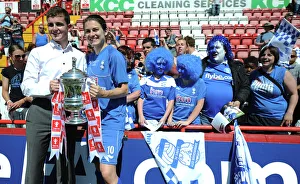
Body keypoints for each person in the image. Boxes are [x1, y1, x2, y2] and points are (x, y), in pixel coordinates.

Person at [21, 6, 87, 184]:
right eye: (50, 25)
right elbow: (26, 86)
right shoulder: (37, 53)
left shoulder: (80, 56)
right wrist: (47, 87)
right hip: (40, 111)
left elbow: (83, 87)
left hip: (67, 114)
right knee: (34, 166)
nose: (54, 28)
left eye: (59, 24)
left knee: (64, 166)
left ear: (69, 26)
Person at [84, 14, 128, 184]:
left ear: (105, 31)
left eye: (95, 30)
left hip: (112, 119)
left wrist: (104, 94)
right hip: (94, 121)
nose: (92, 34)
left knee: (107, 172)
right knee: (98, 169)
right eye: (88, 31)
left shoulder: (113, 55)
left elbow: (124, 89)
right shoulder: (88, 57)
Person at [244, 46, 298, 132]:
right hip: (255, 118)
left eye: (269, 55)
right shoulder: (254, 74)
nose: (265, 57)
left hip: (276, 119)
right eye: (263, 55)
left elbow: (294, 94)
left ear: (275, 58)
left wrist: (290, 113)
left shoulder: (283, 73)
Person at [200, 35, 250, 124]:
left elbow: (245, 87)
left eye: (217, 47)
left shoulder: (236, 67)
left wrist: (239, 100)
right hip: (203, 117)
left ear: (225, 50)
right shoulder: (201, 65)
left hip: (227, 117)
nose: (214, 50)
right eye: (211, 48)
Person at [137, 47, 176, 126]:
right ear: (153, 64)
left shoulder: (170, 81)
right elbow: (140, 99)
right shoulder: (145, 80)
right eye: (158, 64)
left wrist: (164, 119)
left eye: (163, 64)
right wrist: (141, 116)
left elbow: (171, 101)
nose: (161, 67)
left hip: (161, 121)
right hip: (146, 120)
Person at [167, 54, 206, 127]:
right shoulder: (174, 82)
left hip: (192, 123)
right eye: (179, 67)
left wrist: (188, 121)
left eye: (183, 68)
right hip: (174, 122)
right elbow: (171, 103)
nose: (179, 71)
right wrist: (169, 120)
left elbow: (199, 105)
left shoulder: (200, 83)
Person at [1, 45, 31, 124]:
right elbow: (5, 90)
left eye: (23, 56)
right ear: (10, 56)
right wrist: (8, 101)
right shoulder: (6, 71)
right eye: (17, 56)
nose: (21, 59)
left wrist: (22, 101)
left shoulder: (30, 69)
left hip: (29, 106)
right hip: (13, 106)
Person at [117, 45, 141, 129]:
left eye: (130, 58)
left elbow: (137, 92)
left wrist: (119, 101)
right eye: (127, 57)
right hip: (113, 113)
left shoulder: (132, 72)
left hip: (129, 112)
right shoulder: (109, 71)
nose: (130, 60)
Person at [287, 49, 300, 126]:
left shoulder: (298, 67)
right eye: (288, 56)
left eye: (292, 56)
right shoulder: (283, 66)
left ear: (296, 57)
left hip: (294, 96)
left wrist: (294, 90)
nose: (290, 58)